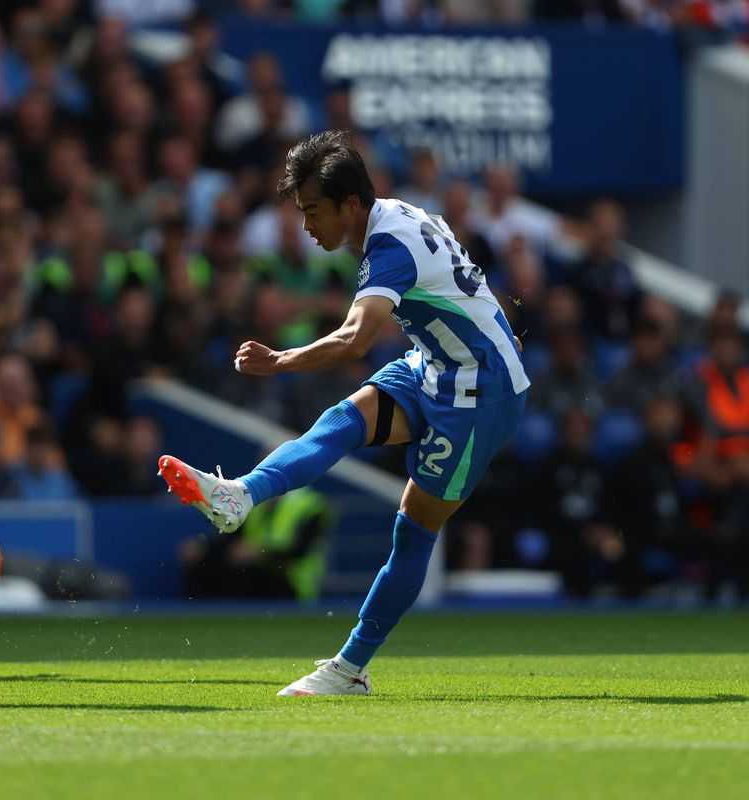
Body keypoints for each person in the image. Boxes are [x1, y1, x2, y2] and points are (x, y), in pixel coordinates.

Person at [158, 130, 529, 696]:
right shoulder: (397, 214)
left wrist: (279, 360)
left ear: (350, 205)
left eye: (313, 211)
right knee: (340, 421)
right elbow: (468, 286)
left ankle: (350, 668)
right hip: (435, 364)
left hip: (479, 395)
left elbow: (356, 339)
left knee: (413, 529)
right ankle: (240, 496)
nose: (308, 226)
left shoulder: (389, 245)